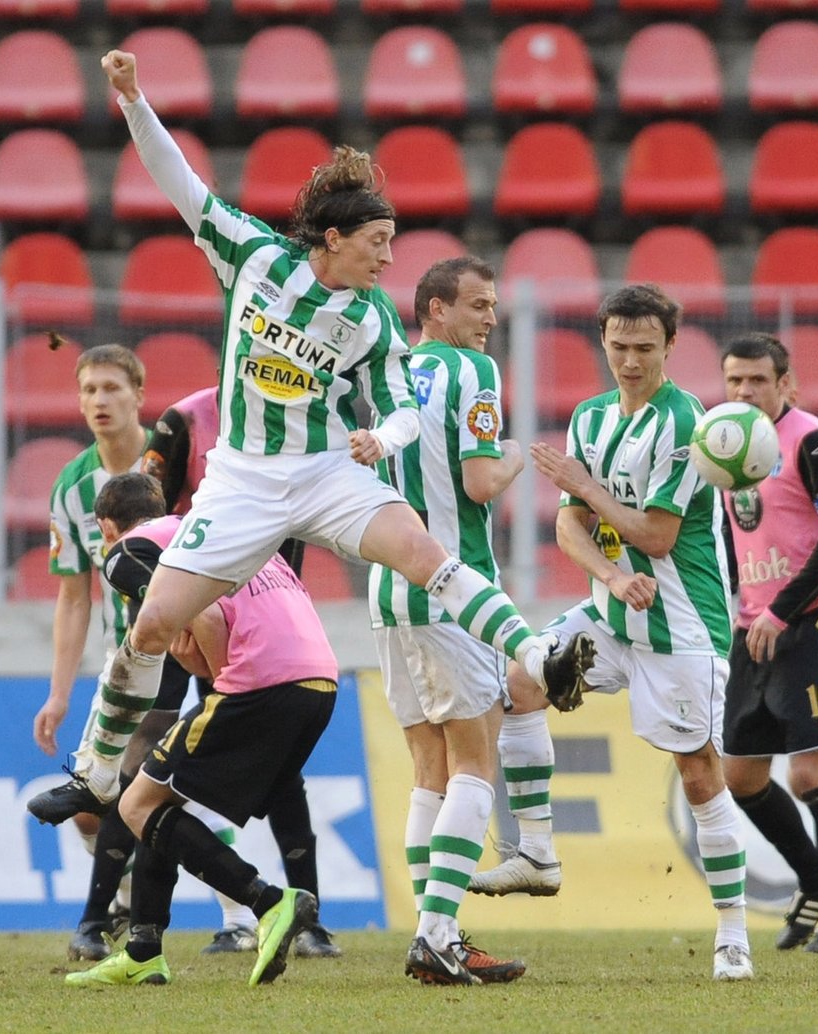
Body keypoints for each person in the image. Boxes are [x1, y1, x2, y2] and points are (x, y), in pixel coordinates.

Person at [36, 51, 595, 865]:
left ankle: (538, 654)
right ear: (333, 237)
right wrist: (133, 102)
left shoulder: (370, 319)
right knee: (153, 623)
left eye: (393, 242)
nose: (388, 258)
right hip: (244, 480)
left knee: (424, 555)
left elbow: (403, 403)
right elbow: (180, 182)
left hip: (329, 471)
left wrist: (387, 439)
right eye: (378, 241)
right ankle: (92, 772)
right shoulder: (255, 259)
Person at [475, 284, 754, 982]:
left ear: (669, 348)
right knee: (519, 681)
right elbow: (569, 525)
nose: (630, 361)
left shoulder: (687, 424)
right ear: (603, 340)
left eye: (645, 348)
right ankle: (537, 853)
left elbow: (656, 534)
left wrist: (587, 489)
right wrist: (607, 575)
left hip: (683, 625)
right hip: (614, 613)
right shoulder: (591, 418)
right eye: (619, 346)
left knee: (697, 773)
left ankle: (733, 934)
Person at [64, 473, 337, 988]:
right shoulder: (220, 530)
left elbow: (205, 613)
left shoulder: (127, 553)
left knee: (136, 805)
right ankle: (144, 949)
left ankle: (269, 903)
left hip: (261, 683)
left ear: (105, 526)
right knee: (157, 796)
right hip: (319, 679)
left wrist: (215, 679)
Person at [368, 257, 527, 985]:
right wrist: (524, 453)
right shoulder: (472, 374)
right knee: (474, 763)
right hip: (453, 588)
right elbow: (479, 480)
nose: (489, 319)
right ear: (435, 309)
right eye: (477, 306)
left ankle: (437, 930)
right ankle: (437, 936)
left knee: (428, 769)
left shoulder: (390, 374)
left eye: (491, 306)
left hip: (388, 586)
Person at [141, 384, 339, 958]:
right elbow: (157, 510)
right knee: (162, 764)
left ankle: (282, 915)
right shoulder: (185, 418)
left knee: (169, 782)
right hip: (201, 605)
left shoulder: (304, 412)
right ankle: (225, 918)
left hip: (256, 619)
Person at [29, 343, 184, 961]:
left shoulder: (175, 464)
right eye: (88, 389)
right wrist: (59, 691)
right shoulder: (72, 487)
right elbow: (73, 597)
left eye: (111, 388)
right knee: (94, 812)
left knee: (158, 784)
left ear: (139, 395)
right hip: (125, 659)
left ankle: (234, 914)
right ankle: (117, 904)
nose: (99, 401)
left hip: (187, 648)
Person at [718, 332, 818, 954]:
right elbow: (733, 533)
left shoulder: (811, 440)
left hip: (813, 620)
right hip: (755, 625)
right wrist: (740, 612)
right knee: (740, 775)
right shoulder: (721, 443)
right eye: (734, 381)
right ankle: (813, 886)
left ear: (786, 385)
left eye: (756, 380)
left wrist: (782, 609)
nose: (745, 392)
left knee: (810, 772)